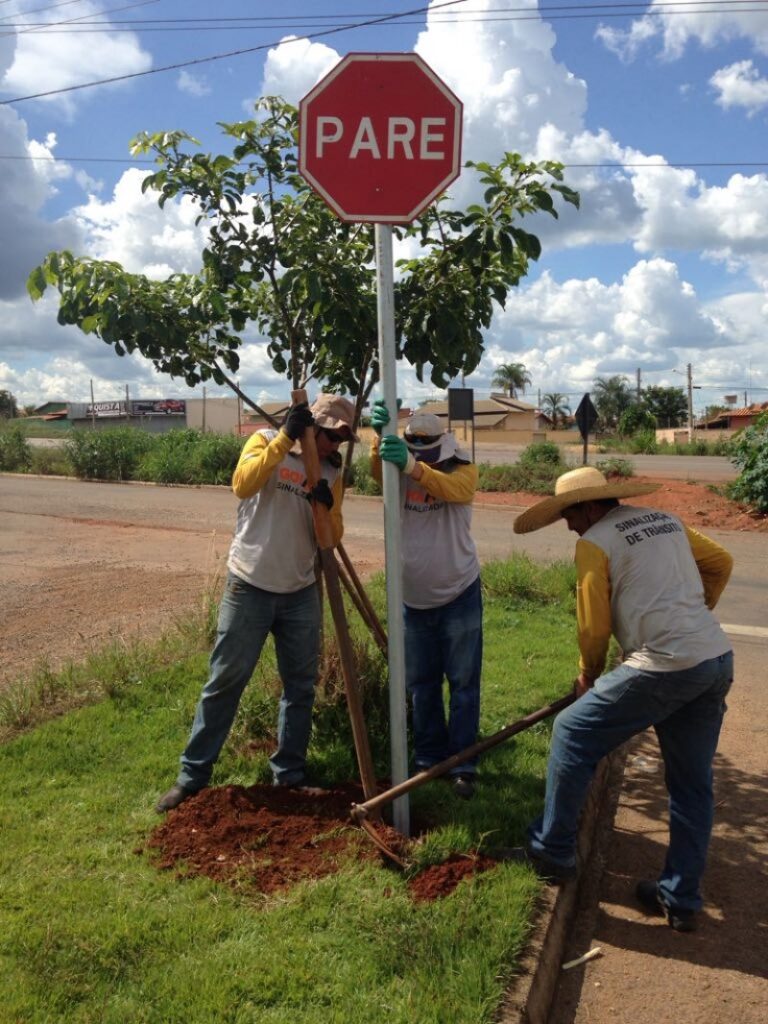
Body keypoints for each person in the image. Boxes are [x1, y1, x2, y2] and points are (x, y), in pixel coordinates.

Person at [507, 466, 734, 931]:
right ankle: (681, 898)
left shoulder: (595, 541)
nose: (568, 524)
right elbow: (721, 563)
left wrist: (587, 674)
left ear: (591, 506)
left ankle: (552, 851)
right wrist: (691, 612)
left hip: (665, 664)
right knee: (691, 786)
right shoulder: (664, 520)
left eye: (569, 514)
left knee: (571, 732)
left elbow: (593, 625)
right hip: (713, 658)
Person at [156, 394, 358, 813]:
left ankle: (289, 775)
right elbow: (242, 484)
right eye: (329, 437)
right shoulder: (265, 440)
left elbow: (330, 540)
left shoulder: (333, 471)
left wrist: (324, 506)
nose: (333, 447)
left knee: (300, 688)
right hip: (249, 584)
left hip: (300, 590)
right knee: (225, 681)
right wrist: (285, 439)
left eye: (341, 440)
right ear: (311, 426)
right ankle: (191, 778)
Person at [370, 402, 482, 799]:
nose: (416, 448)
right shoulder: (397, 469)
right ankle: (429, 758)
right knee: (422, 685)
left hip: (458, 593)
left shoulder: (461, 465)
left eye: (423, 445)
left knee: (464, 683)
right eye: (411, 443)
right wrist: (379, 438)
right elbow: (374, 474)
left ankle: (463, 763)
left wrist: (412, 467)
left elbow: (456, 490)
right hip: (412, 600)